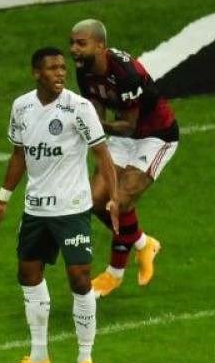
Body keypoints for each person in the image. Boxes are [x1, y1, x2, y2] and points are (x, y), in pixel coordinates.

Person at [0, 47, 120, 363]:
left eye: (63, 68)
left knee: (79, 279)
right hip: (36, 210)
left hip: (72, 209)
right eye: (53, 68)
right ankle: (39, 357)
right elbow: (19, 155)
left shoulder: (79, 108)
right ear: (36, 73)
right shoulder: (22, 107)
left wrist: (114, 199)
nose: (61, 73)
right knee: (28, 275)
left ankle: (86, 360)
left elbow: (103, 156)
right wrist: (2, 200)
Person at [69, 19, 178, 297]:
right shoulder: (85, 69)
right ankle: (143, 243)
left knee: (120, 201)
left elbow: (128, 125)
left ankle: (113, 275)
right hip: (121, 136)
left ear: (100, 46)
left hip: (155, 136)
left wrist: (94, 126)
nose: (74, 49)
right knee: (95, 201)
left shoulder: (126, 74)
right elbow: (95, 111)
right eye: (72, 43)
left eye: (81, 43)